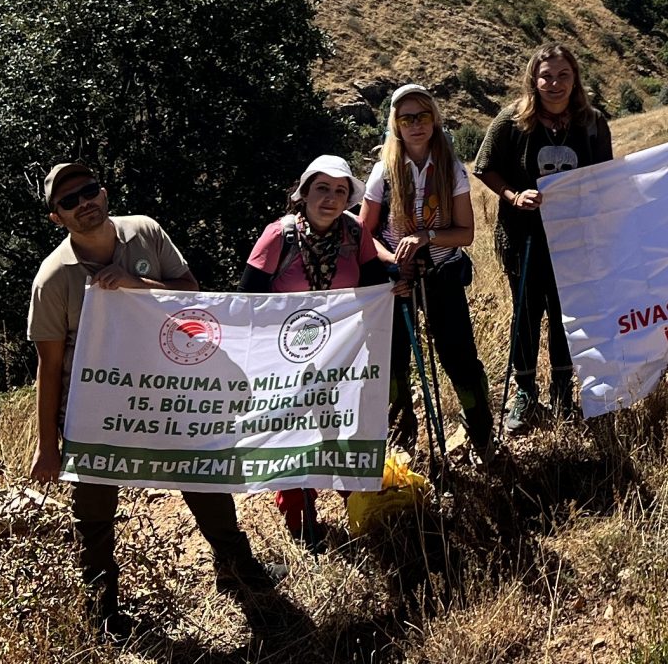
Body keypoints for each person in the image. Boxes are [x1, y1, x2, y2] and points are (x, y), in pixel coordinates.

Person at [26, 162, 283, 639]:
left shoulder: (145, 231)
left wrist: (136, 285)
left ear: (104, 192)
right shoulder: (53, 278)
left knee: (204, 480)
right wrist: (48, 446)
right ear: (56, 217)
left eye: (89, 190)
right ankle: (103, 610)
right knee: (94, 514)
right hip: (94, 415)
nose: (84, 203)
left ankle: (237, 569)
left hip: (168, 396)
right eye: (69, 201)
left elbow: (192, 294)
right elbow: (49, 366)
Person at [240, 155, 398, 553]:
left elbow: (372, 282)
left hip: (341, 356)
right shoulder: (279, 236)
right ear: (304, 193)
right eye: (322, 188)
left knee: (342, 427)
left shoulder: (355, 232)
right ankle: (301, 519)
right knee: (292, 437)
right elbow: (248, 298)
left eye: (340, 191)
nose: (330, 198)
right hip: (285, 359)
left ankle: (355, 500)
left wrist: (394, 286)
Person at [474, 44, 613, 435]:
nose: (554, 84)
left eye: (563, 75)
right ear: (533, 80)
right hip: (523, 238)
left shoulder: (592, 122)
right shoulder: (512, 120)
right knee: (526, 314)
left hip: (573, 239)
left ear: (575, 78)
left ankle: (563, 392)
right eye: (546, 76)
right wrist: (514, 196)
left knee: (566, 315)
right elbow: (484, 167)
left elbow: (605, 176)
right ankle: (525, 392)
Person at [357, 83, 496, 459]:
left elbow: (465, 234)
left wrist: (425, 237)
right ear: (396, 125)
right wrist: (392, 264)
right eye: (407, 119)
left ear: (434, 120)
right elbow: (364, 234)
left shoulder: (451, 169)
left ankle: (481, 431)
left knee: (460, 358)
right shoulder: (384, 172)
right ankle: (400, 441)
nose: (416, 125)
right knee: (393, 362)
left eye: (423, 116)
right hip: (396, 281)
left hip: (443, 273)